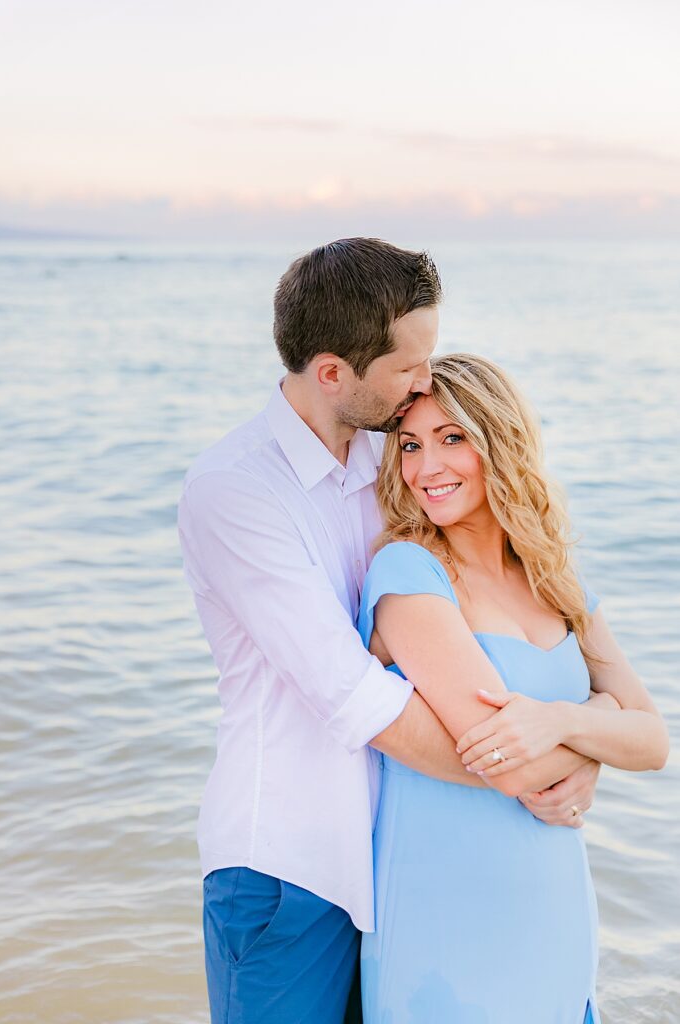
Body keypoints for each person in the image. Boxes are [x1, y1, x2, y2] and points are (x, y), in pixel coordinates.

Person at [178, 239, 603, 1024]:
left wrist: (579, 749)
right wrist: (545, 770)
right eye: (411, 365)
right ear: (334, 373)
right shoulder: (235, 490)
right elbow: (354, 697)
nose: (425, 381)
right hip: (289, 869)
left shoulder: (394, 462)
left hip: (395, 859)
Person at [357, 353, 669, 1024]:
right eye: (409, 445)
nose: (425, 467)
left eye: (452, 438)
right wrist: (598, 721)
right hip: (443, 925)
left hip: (554, 914)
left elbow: (651, 743)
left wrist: (562, 725)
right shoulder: (408, 573)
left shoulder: (554, 578)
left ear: (499, 439)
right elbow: (503, 763)